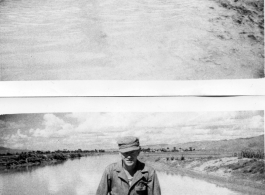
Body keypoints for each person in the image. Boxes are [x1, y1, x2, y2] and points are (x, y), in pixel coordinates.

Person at [96, 136, 161, 195]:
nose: (129, 156)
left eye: (132, 152)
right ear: (120, 153)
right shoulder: (110, 171)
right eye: (125, 153)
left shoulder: (149, 172)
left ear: (138, 151)